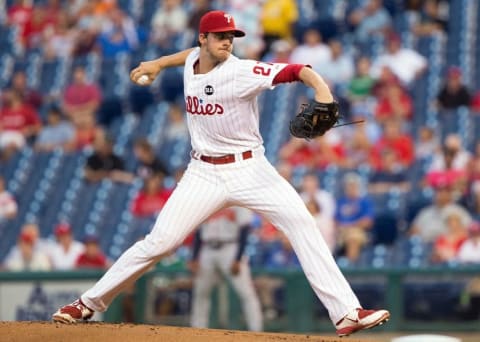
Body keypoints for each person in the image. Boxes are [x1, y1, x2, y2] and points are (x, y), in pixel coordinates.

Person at [53, 10, 389, 336]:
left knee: (303, 224)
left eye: (231, 37)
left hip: (251, 169)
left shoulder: (240, 71)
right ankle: (87, 303)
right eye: (220, 36)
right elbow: (188, 56)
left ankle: (346, 312)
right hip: (203, 173)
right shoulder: (192, 61)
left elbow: (297, 69)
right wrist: (157, 63)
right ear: (203, 39)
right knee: (159, 242)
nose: (228, 42)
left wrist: (322, 90)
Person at [188, 207, 263, 331]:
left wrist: (238, 258)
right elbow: (198, 231)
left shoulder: (239, 201)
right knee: (200, 292)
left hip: (231, 248)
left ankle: (257, 331)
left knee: (246, 293)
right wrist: (195, 256)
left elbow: (244, 230)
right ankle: (197, 330)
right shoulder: (206, 199)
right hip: (207, 249)